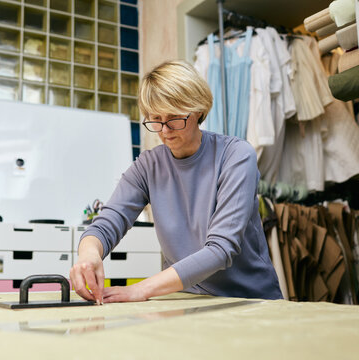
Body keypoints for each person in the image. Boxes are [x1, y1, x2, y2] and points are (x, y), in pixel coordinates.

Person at [69, 60, 282, 304]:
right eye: (155, 119)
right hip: (188, 301)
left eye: (174, 118)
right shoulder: (148, 166)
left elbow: (221, 249)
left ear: (199, 110)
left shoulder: (236, 155)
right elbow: (107, 223)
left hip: (250, 302)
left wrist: (141, 289)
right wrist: (89, 255)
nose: (165, 130)